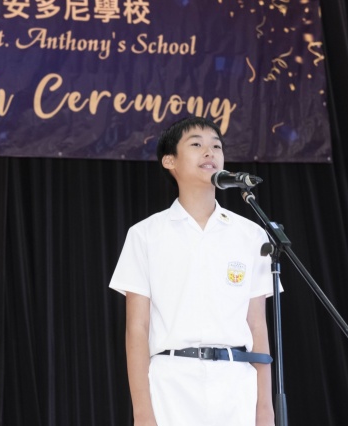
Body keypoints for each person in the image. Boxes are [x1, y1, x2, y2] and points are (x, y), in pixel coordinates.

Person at [109, 116, 277, 426]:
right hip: (171, 385)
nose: (209, 152)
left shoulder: (252, 235)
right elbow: (137, 328)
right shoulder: (145, 235)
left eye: (217, 146)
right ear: (169, 161)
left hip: (236, 384)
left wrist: (264, 408)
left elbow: (258, 326)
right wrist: (142, 412)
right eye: (196, 144)